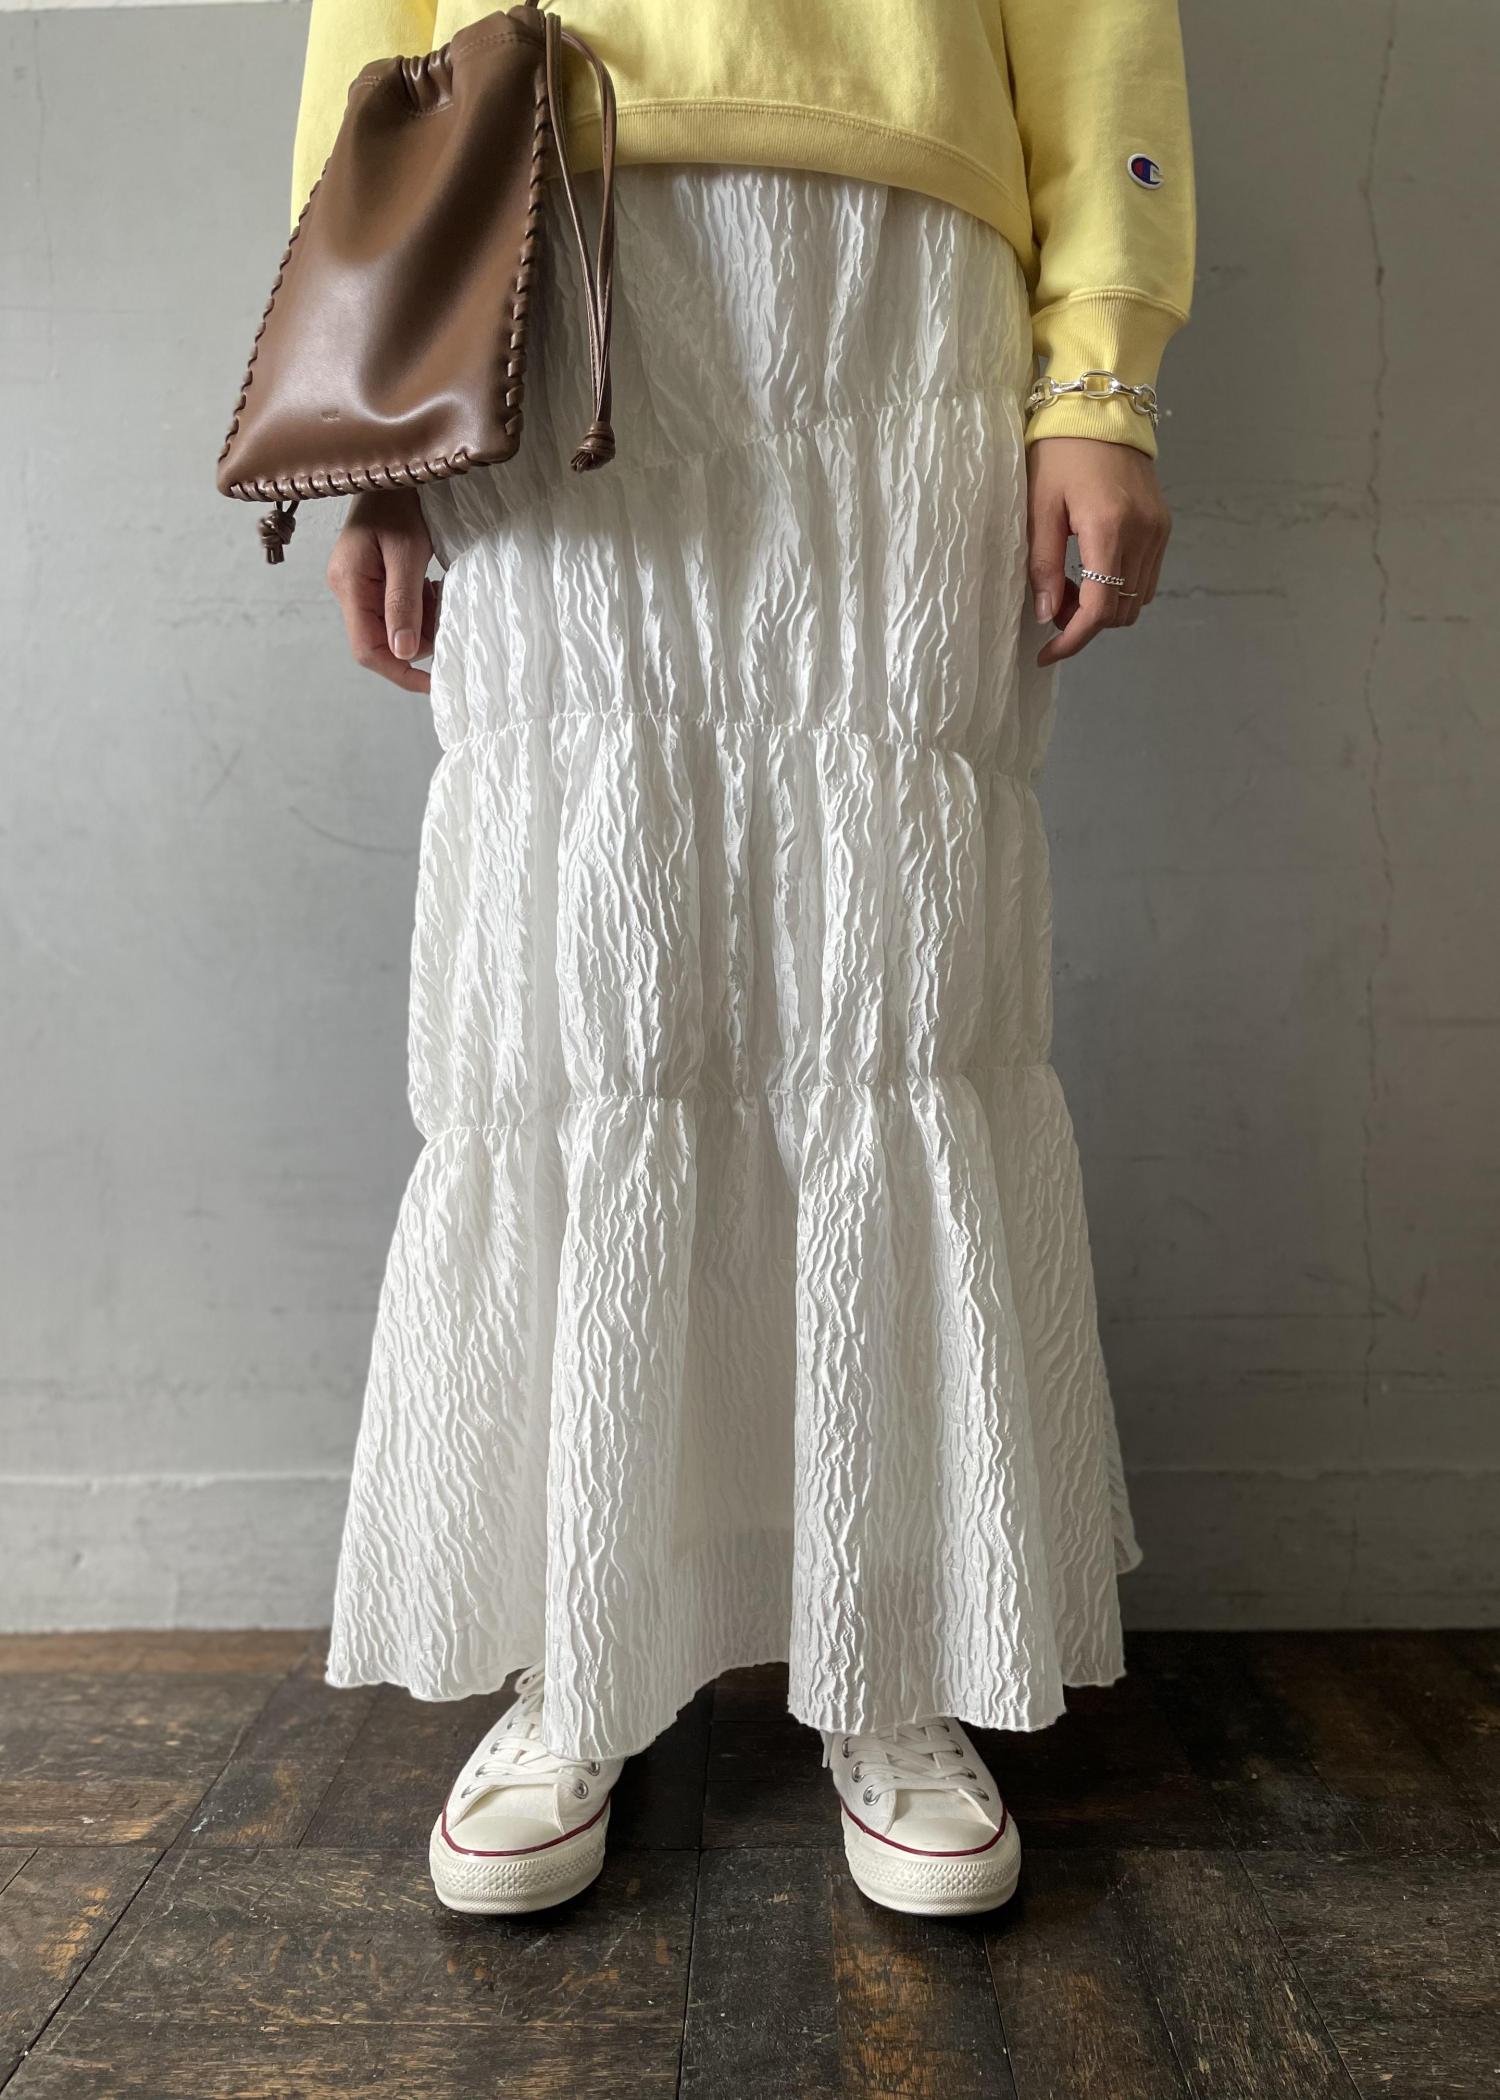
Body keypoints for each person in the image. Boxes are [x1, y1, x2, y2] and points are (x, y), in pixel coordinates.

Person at [288, 0, 1194, 1917]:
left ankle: (894, 1646)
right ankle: (582, 1645)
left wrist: (1096, 384)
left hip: (900, 281)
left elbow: (1102, 24)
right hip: (540, 247)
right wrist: (369, 391)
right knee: (586, 989)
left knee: (893, 984)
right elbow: (372, 28)